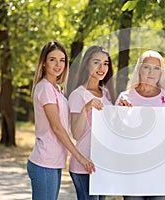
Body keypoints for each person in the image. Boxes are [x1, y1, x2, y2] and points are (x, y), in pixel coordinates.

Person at [27, 41, 95, 200]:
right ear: (43, 63)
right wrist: (79, 157)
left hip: (53, 163)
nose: (58, 64)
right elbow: (57, 127)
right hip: (44, 163)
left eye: (62, 60)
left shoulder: (56, 88)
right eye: (52, 60)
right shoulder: (45, 88)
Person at [116, 50, 165, 200]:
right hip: (132, 171)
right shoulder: (125, 97)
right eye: (147, 67)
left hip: (161, 171)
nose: (151, 72)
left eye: (156, 68)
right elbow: (115, 133)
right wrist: (119, 115)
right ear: (139, 69)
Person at [68, 46, 115, 200]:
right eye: (97, 62)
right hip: (84, 164)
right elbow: (76, 133)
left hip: (103, 163)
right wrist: (86, 108)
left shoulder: (107, 94)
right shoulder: (78, 95)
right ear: (87, 64)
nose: (102, 68)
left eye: (106, 63)